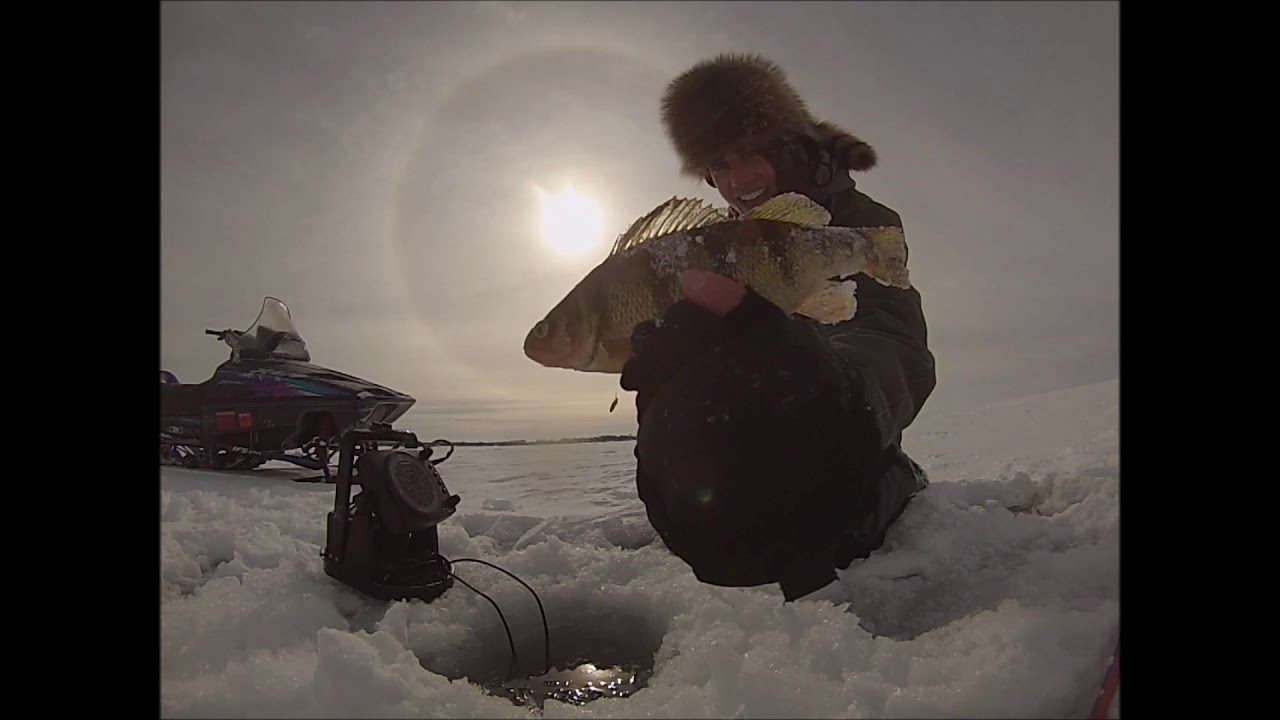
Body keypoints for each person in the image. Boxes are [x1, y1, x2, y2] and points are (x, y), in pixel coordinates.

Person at [619, 53, 936, 601]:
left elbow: (894, 345)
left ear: (788, 143)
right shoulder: (719, 245)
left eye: (751, 153)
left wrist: (834, 388)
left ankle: (895, 479)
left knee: (833, 533)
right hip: (753, 456)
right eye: (719, 164)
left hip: (843, 448)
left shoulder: (857, 224)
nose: (738, 180)